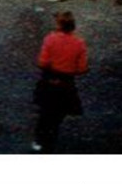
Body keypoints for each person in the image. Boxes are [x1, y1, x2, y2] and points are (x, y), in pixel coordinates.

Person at [32, 11, 88, 152]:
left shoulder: (50, 39)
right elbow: (82, 68)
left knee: (44, 113)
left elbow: (42, 62)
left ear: (59, 25)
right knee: (57, 116)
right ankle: (51, 140)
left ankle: (39, 141)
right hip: (66, 84)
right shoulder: (79, 43)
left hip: (49, 80)